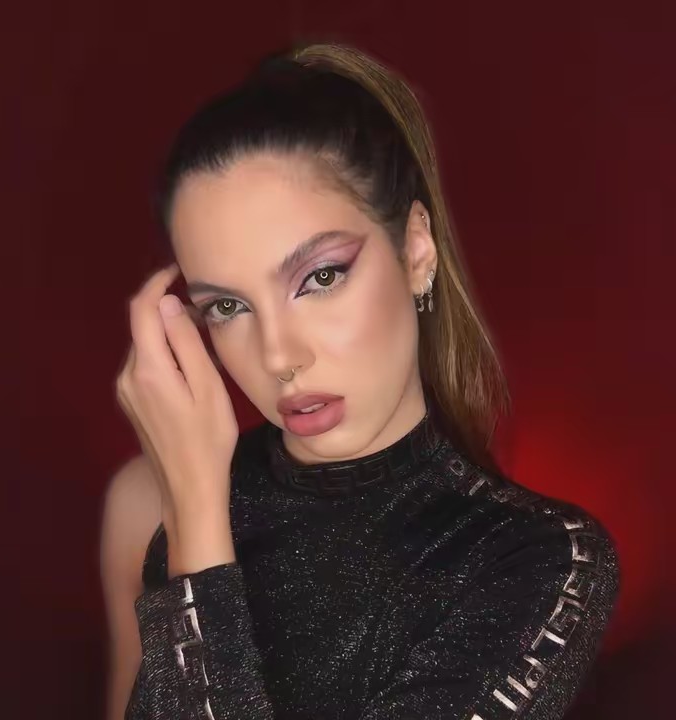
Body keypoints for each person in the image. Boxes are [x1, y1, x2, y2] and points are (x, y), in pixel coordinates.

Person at [100, 43, 620, 720]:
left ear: (416, 250)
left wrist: (197, 525)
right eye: (228, 306)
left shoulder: (537, 562)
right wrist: (189, 504)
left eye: (320, 277)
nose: (279, 356)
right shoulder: (144, 505)